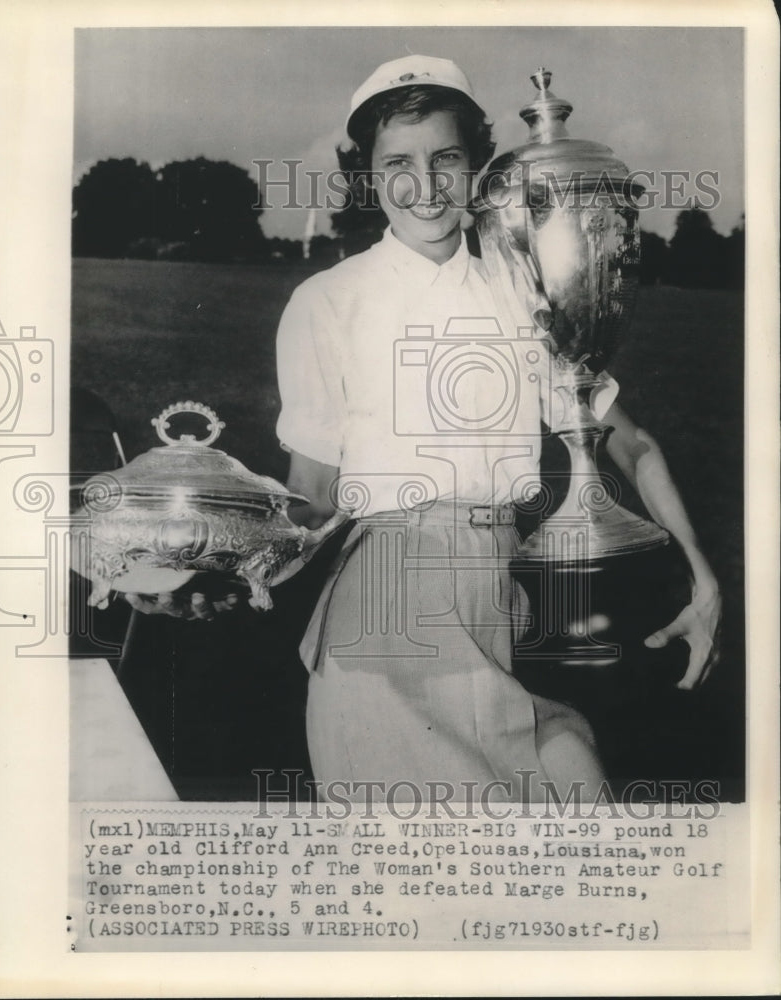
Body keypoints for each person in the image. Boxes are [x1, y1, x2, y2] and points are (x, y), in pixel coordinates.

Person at [129, 55, 721, 803]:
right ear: (368, 176)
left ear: (478, 167)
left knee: (577, 831)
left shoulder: (524, 292)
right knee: (429, 882)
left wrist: (702, 577)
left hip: (505, 603)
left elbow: (630, 444)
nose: (425, 185)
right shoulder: (328, 300)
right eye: (397, 163)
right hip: (382, 615)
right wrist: (208, 570)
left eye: (446, 159)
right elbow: (311, 499)